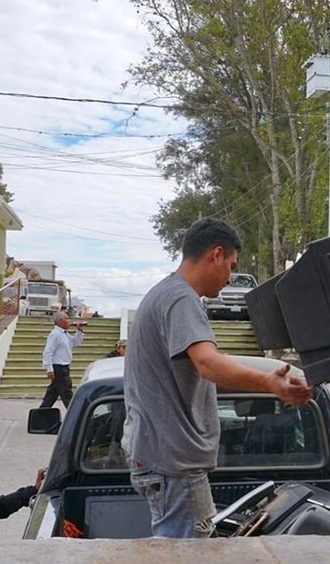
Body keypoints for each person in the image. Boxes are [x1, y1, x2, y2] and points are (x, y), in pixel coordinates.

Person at [123, 217, 313, 538]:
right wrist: (269, 384)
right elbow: (208, 363)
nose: (230, 277)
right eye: (231, 266)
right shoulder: (181, 298)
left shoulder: (165, 294)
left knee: (181, 557)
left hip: (163, 459)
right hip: (174, 465)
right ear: (216, 254)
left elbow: (207, 369)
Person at [40, 311, 86, 409]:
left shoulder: (65, 334)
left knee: (51, 395)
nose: (69, 321)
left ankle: (41, 413)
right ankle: (75, 413)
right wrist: (49, 369)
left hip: (64, 367)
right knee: (67, 394)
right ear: (60, 321)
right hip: (59, 368)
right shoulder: (55, 334)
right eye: (67, 319)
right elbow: (48, 352)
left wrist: (79, 331)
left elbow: (75, 342)